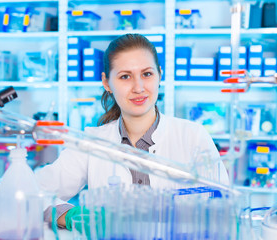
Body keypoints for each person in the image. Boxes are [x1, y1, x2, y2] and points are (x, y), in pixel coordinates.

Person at [35, 33, 229, 229]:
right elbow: (33, 192)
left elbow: (223, 206)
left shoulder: (192, 136)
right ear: (106, 83)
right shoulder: (93, 142)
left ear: (159, 75)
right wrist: (69, 215)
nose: (138, 87)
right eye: (125, 76)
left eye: (147, 74)